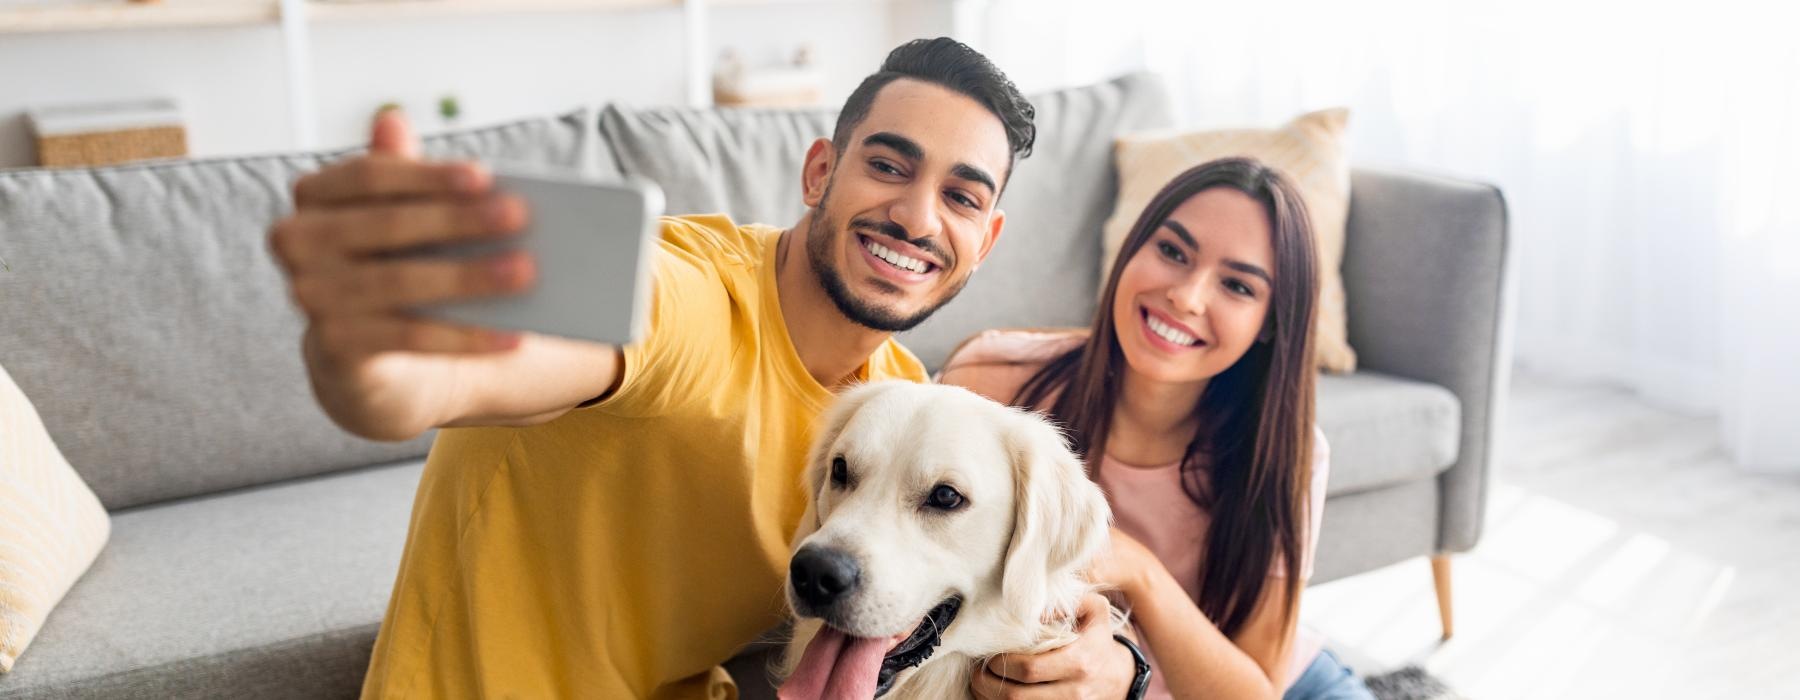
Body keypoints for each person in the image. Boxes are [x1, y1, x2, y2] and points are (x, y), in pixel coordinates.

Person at [268, 38, 1138, 698]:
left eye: (960, 195)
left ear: (984, 242)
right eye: (888, 165)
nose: (915, 215)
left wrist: (1111, 656)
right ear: (821, 170)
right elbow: (529, 357)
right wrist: (386, 368)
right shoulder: (691, 300)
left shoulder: (896, 401)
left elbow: (1018, 553)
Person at [942, 158, 1378, 699]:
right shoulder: (993, 384)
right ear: (1131, 249)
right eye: (1172, 252)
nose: (1187, 297)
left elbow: (1256, 690)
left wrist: (1137, 570)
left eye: (1238, 286)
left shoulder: (1288, 455)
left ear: (1270, 323)